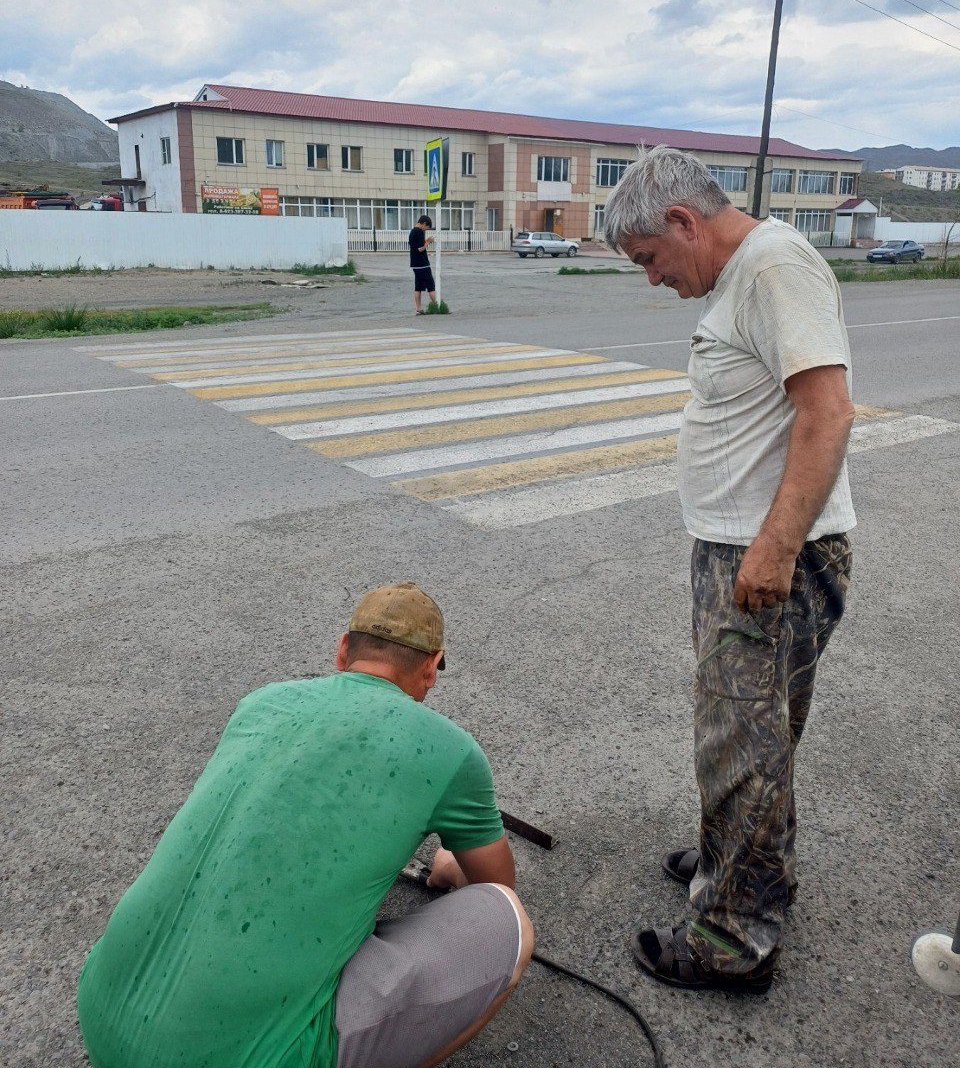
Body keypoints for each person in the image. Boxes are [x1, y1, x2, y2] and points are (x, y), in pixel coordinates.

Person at [77, 583, 533, 1068]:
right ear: (430, 668)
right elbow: (495, 881)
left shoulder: (261, 703)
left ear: (342, 650)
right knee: (507, 919)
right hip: (253, 1059)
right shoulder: (452, 750)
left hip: (103, 1018)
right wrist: (451, 869)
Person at [603, 147, 855, 994]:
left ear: (682, 221)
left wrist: (776, 548)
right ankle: (732, 864)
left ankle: (734, 937)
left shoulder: (775, 264)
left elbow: (828, 411)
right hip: (741, 547)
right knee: (747, 737)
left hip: (765, 553)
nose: (652, 279)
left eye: (649, 260)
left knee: (742, 744)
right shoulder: (746, 273)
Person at [409, 214, 438, 314]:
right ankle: (437, 306)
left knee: (418, 286)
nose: (426, 230)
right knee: (431, 285)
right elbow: (420, 249)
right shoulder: (419, 232)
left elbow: (417, 245)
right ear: (424, 224)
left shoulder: (413, 232)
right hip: (422, 264)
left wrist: (426, 241)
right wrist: (428, 241)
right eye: (427, 228)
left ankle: (419, 308)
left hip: (415, 264)